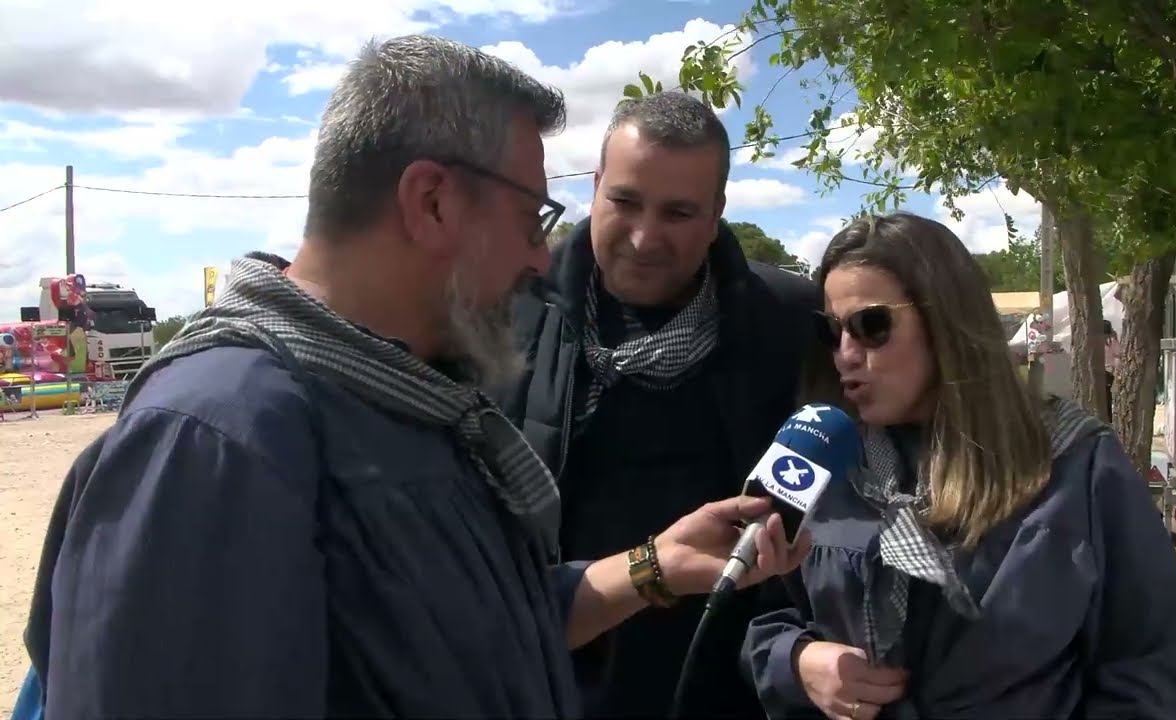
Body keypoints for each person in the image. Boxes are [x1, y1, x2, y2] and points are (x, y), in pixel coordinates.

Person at [20, 36, 805, 719]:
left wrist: (650, 568)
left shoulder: (405, 401)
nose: (542, 259)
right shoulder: (215, 439)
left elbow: (473, 634)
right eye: (532, 214)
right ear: (431, 202)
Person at [745, 213, 1176, 719]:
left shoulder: (1073, 464)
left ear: (946, 322)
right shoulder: (820, 461)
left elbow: (1148, 670)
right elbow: (769, 619)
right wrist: (799, 662)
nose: (846, 354)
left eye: (871, 326)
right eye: (831, 333)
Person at [498, 91, 820, 719]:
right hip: (549, 680)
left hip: (733, 688)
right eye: (624, 202)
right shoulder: (504, 312)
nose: (644, 239)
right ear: (593, 187)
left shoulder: (789, 324)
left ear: (717, 214)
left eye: (677, 213)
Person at [1103, 319, 1118, 417]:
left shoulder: (1108, 341)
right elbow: (1118, 354)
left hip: (1105, 370)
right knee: (1106, 394)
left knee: (1104, 394)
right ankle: (1108, 416)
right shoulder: (1111, 341)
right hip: (1108, 371)